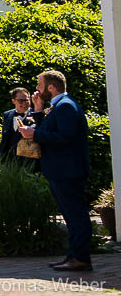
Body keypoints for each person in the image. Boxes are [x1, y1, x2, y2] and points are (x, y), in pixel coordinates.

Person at [18, 69, 91, 271]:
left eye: (40, 86)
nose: (37, 90)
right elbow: (53, 130)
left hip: (68, 170)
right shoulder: (58, 106)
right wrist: (39, 112)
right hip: (62, 170)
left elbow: (65, 137)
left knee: (76, 215)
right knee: (70, 215)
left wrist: (34, 134)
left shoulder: (66, 107)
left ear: (51, 87)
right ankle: (73, 255)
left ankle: (81, 257)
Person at [0, 86, 36, 168]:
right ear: (13, 100)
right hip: (9, 160)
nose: (25, 103)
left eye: (27, 100)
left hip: (28, 161)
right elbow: (5, 137)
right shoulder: (7, 115)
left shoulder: (36, 115)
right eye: (21, 100)